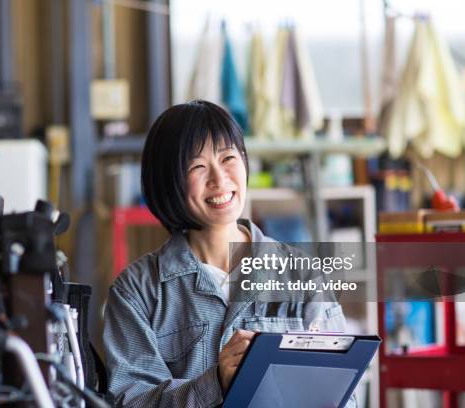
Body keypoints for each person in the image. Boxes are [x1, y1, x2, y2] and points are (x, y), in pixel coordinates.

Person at [102, 100, 350, 407]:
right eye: (198, 166)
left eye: (228, 158)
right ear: (169, 183)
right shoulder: (137, 292)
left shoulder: (304, 274)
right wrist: (214, 383)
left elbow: (341, 394)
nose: (220, 180)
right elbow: (132, 401)